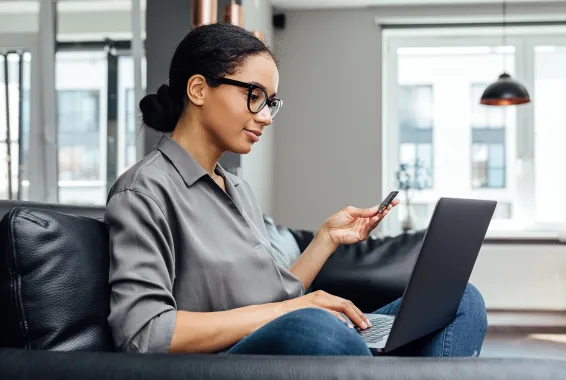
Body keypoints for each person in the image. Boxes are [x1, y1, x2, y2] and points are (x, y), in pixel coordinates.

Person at [105, 23, 487, 357]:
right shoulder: (143, 192)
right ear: (199, 89)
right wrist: (293, 313)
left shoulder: (236, 187)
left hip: (276, 340)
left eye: (271, 102)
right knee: (315, 327)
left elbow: (276, 298)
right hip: (220, 369)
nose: (266, 116)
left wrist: (326, 239)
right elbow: (145, 332)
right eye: (254, 95)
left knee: (460, 301)